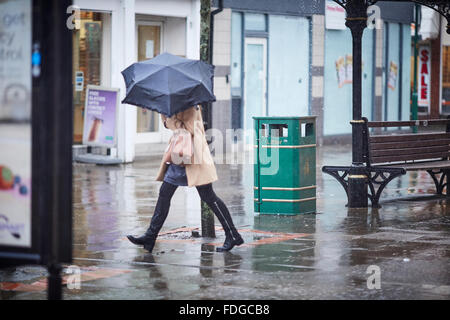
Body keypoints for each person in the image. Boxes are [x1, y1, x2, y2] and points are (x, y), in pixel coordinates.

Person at [127, 105, 244, 253]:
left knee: (208, 196)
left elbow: (189, 129)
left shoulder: (190, 104)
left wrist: (169, 119)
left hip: (193, 156)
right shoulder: (176, 102)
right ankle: (150, 237)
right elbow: (171, 126)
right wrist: (165, 115)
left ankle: (232, 234)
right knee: (164, 194)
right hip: (180, 156)